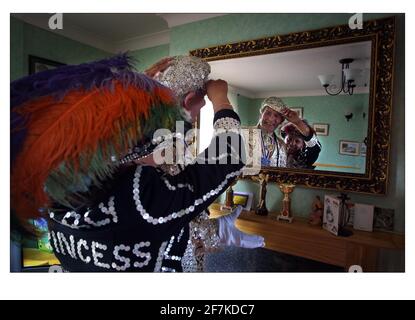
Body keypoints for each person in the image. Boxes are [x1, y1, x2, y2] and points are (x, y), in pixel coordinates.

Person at [11, 54, 264, 272]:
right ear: (188, 100)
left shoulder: (60, 182)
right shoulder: (142, 196)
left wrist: (215, 230)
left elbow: (160, 228)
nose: (170, 163)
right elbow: (228, 156)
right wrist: (222, 101)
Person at [256, 97, 312, 167]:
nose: (271, 119)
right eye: (268, 113)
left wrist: (297, 122)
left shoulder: (282, 145)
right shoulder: (242, 135)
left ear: (281, 121)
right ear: (261, 114)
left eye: (276, 115)